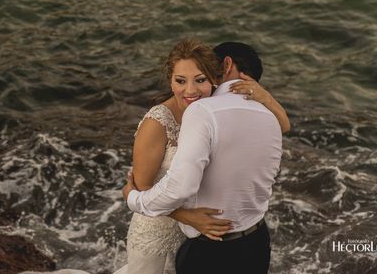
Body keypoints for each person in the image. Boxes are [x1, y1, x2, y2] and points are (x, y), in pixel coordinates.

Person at [122, 41, 286, 274]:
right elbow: (142, 186)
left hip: (196, 234)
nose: (190, 90)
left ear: (214, 78)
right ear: (170, 80)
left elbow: (281, 125)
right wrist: (187, 217)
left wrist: (265, 97)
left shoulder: (208, 113)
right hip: (159, 230)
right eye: (180, 81)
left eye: (200, 80)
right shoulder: (158, 122)